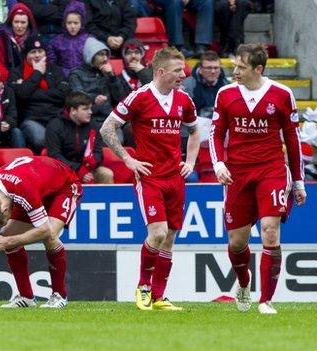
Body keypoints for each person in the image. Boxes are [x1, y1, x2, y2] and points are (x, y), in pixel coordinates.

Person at [99, 47, 200, 311]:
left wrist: (189, 162)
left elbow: (195, 131)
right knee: (157, 233)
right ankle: (143, 287)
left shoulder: (184, 101)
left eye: (183, 70)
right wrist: (128, 159)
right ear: (161, 71)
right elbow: (107, 128)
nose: (183, 75)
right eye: (178, 71)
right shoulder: (139, 97)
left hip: (175, 178)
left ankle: (159, 296)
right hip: (150, 177)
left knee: (170, 237)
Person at [209, 44, 306, 314]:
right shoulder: (225, 94)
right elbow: (216, 133)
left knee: (270, 231)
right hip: (237, 173)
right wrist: (218, 164)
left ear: (258, 69)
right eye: (235, 66)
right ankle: (243, 283)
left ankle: (266, 300)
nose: (235, 71)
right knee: (237, 242)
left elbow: (293, 140)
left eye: (241, 67)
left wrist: (297, 181)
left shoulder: (282, 94)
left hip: (271, 170)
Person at [0, 155, 82, 308]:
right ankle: (26, 297)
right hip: (36, 185)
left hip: (64, 185)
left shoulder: (23, 191)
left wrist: (6, 242)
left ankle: (59, 295)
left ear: (5, 209)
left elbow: (45, 230)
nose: (8, 220)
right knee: (6, 234)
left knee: (50, 236)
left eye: (6, 218)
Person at [10, 35, 69, 153]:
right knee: (42, 139)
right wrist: (37, 73)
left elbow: (63, 94)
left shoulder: (55, 69)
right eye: (33, 52)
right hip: (31, 120)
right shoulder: (17, 72)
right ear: (26, 55)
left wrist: (32, 92)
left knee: (68, 139)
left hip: (55, 118)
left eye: (40, 51)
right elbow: (21, 94)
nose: (37, 55)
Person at [46, 92, 113, 184]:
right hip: (63, 169)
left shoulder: (93, 126)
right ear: (73, 110)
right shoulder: (55, 126)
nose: (90, 112)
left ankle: (104, 198)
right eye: (85, 109)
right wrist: (78, 169)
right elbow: (54, 155)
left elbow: (98, 152)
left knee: (106, 173)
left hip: (88, 168)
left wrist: (93, 162)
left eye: (90, 108)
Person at [68, 37, 126, 124]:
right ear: (91, 56)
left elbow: (120, 98)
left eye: (106, 55)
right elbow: (78, 97)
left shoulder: (108, 72)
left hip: (108, 119)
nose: (105, 58)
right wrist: (94, 98)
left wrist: (112, 77)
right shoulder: (76, 74)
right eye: (101, 55)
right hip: (88, 119)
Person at [45, 0, 89, 77]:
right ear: (64, 23)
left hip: (84, 77)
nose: (72, 26)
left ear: (82, 23)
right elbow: (52, 64)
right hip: (63, 76)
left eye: (76, 23)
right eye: (69, 23)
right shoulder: (56, 42)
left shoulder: (88, 40)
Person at [0, 3, 37, 71]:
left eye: (23, 22)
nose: (19, 26)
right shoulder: (1, 40)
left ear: (28, 23)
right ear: (11, 22)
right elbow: (0, 67)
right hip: (9, 78)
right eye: (16, 22)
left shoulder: (35, 39)